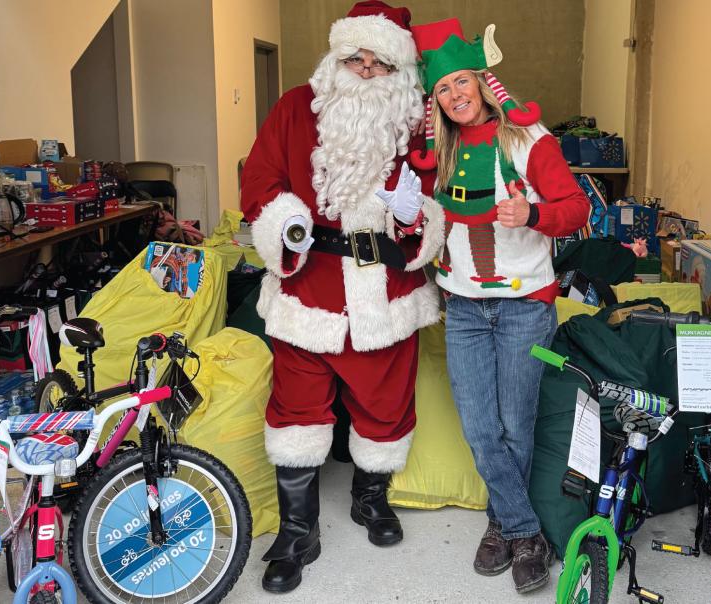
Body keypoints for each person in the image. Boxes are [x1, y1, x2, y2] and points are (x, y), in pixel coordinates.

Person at [240, 1, 444, 594]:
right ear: (336, 57)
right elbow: (261, 180)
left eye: (379, 62)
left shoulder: (417, 123)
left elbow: (439, 200)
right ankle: (298, 531)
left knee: (386, 406)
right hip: (310, 286)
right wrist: (285, 223)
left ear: (399, 71)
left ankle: (369, 498)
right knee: (296, 411)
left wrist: (416, 219)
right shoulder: (294, 108)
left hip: (387, 290)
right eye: (355, 58)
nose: (365, 69)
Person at [410, 18, 591, 594]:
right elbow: (424, 218)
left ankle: (502, 525)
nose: (454, 95)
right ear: (435, 100)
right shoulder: (439, 151)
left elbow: (577, 209)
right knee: (479, 426)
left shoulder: (529, 139)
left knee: (516, 426)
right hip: (463, 308)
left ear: (482, 82)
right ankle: (524, 530)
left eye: (460, 81)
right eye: (443, 88)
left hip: (524, 307)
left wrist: (533, 214)